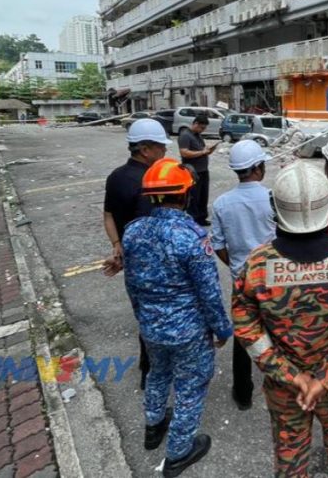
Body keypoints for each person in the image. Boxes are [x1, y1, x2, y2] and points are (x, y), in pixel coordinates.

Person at [233, 162, 328, 478]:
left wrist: (292, 376)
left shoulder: (256, 265)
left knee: (290, 462)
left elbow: (247, 331)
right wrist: (326, 377)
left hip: (285, 390)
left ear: (276, 207)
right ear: (327, 207)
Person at [122, 157, 233, 478]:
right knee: (190, 386)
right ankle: (179, 452)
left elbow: (131, 283)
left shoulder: (134, 232)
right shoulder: (192, 238)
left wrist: (142, 317)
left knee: (158, 374)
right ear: (185, 195)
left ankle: (153, 426)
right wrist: (222, 328)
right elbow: (209, 292)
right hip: (189, 332)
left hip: (151, 327)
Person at [102, 118, 172, 389]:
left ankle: (149, 366)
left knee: (144, 314)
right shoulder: (150, 182)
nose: (164, 152)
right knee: (161, 317)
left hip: (132, 266)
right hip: (154, 265)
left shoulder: (115, 176)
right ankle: (154, 374)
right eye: (160, 147)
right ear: (145, 149)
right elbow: (153, 234)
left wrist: (117, 246)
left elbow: (108, 215)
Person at [210, 140, 275, 411]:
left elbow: (218, 245)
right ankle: (280, 382)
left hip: (241, 277)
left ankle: (243, 392)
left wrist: (237, 265)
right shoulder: (272, 197)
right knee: (278, 328)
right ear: (258, 167)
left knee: (244, 334)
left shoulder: (222, 203)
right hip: (273, 275)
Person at [179, 112, 217, 226]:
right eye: (201, 127)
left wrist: (208, 150)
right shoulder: (185, 135)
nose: (202, 130)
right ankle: (194, 220)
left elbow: (201, 150)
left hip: (203, 170)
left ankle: (201, 217)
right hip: (192, 172)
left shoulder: (198, 135)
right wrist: (202, 152)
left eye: (204, 128)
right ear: (195, 123)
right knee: (194, 197)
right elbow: (184, 153)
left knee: (203, 196)